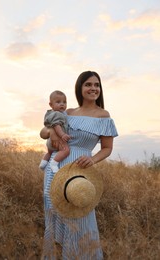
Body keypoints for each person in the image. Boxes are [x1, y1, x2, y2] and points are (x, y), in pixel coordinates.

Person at [40, 71, 118, 259]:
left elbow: (107, 148)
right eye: (88, 85)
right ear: (80, 88)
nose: (93, 88)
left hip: (81, 173)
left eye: (96, 85)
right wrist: (51, 131)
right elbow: (43, 131)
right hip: (56, 170)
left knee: (80, 217)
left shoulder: (103, 116)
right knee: (54, 215)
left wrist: (92, 159)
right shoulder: (68, 112)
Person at [39, 90, 71, 173]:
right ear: (51, 104)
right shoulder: (58, 114)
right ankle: (54, 163)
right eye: (58, 102)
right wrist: (63, 135)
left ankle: (43, 163)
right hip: (58, 140)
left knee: (49, 152)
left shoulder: (49, 113)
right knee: (66, 150)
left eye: (64, 102)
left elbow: (47, 125)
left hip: (49, 141)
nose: (62, 104)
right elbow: (56, 125)